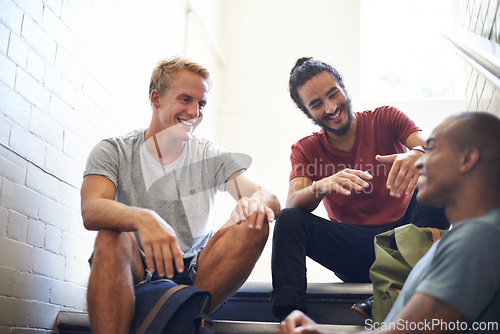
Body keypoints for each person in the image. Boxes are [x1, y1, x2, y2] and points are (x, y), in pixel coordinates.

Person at [81, 56, 280, 333]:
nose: (195, 112)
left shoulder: (210, 154)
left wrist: (251, 203)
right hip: (137, 270)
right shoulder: (114, 150)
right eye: (185, 99)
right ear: (156, 98)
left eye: (201, 104)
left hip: (197, 273)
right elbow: (91, 209)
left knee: (254, 222)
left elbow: (269, 197)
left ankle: (185, 314)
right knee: (110, 234)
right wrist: (145, 219)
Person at [278, 112, 500, 334]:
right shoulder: (451, 246)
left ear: (466, 159)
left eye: (431, 150)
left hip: (402, 236)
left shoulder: (479, 238)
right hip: (358, 249)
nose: (421, 162)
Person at [271, 57, 449, 320]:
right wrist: (321, 186)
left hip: (407, 241)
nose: (331, 108)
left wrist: (420, 153)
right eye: (317, 104)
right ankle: (290, 318)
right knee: (289, 218)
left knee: (437, 172)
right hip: (354, 251)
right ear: (306, 111)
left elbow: (436, 149)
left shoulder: (386, 118)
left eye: (333, 94)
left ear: (343, 85)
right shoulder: (306, 149)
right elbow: (293, 202)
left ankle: (391, 290)